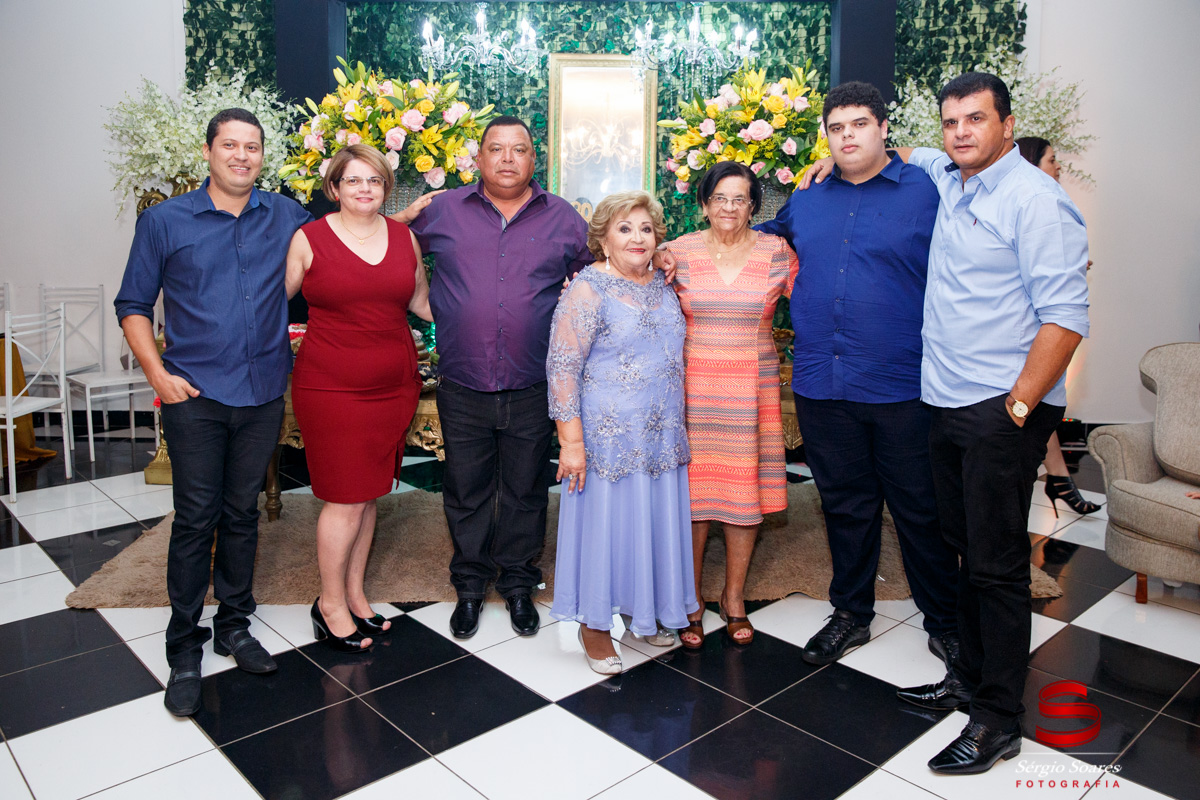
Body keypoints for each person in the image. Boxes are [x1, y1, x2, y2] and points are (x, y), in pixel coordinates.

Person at [881, 73, 1089, 775]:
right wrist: (830, 158)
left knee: (997, 567)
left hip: (1000, 407)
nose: (960, 132)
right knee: (963, 548)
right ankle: (967, 681)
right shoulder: (951, 176)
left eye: (975, 119)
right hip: (945, 399)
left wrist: (1018, 408)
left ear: (1007, 125)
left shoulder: (1036, 201)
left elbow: (1065, 318)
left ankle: (999, 720)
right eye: (951, 122)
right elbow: (901, 151)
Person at [115, 108, 313, 716]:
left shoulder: (286, 215)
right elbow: (133, 304)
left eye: (252, 147)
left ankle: (233, 624)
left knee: (242, 513)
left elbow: (346, 238)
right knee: (196, 518)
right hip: (193, 396)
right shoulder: (164, 221)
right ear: (208, 152)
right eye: (230, 145)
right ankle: (183, 644)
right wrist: (157, 374)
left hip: (261, 392)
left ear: (262, 156)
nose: (241, 156)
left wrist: (402, 220)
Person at [757, 81, 960, 667]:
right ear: (826, 136)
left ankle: (945, 622)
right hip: (823, 383)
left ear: (883, 128)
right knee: (845, 505)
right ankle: (851, 614)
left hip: (902, 385)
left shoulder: (928, 189)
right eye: (837, 128)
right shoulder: (808, 197)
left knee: (919, 509)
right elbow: (755, 242)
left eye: (859, 124)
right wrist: (683, 251)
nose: (847, 137)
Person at [392, 116, 592, 640]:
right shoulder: (442, 211)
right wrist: (398, 218)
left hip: (533, 381)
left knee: (526, 488)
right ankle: (470, 585)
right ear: (478, 158)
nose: (507, 158)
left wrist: (659, 257)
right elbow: (380, 244)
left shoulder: (564, 218)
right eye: (496, 149)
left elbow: (599, 274)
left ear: (533, 159)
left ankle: (520, 584)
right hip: (463, 378)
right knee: (466, 488)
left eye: (519, 149)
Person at [285, 144, 432, 652]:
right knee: (345, 498)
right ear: (334, 188)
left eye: (374, 180)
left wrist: (486, 312)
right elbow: (271, 301)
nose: (364, 188)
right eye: (353, 180)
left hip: (393, 385)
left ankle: (354, 594)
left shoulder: (404, 237)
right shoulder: (309, 238)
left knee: (368, 495)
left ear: (386, 187)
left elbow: (421, 302)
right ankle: (329, 605)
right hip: (331, 386)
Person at [547, 190, 697, 673]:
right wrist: (571, 444)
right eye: (625, 228)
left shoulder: (663, 284)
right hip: (606, 440)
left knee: (647, 528)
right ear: (603, 239)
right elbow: (562, 368)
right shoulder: (587, 289)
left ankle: (642, 614)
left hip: (661, 435)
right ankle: (593, 627)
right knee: (606, 531)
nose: (638, 238)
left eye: (646, 229)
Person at [664, 162, 797, 649]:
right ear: (703, 204)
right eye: (720, 198)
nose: (729, 208)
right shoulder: (675, 253)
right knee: (694, 499)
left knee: (744, 495)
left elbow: (818, 300)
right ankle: (690, 600)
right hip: (691, 390)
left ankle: (733, 597)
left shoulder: (776, 253)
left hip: (751, 389)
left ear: (753, 207)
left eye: (740, 199)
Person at [1016, 136, 1099, 516]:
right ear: (1033, 163)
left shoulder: (1050, 203)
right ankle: (1059, 480)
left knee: (1038, 405)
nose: (1058, 165)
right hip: (1026, 337)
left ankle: (1059, 479)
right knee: (1033, 403)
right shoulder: (1028, 202)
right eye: (1052, 159)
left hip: (1045, 331)